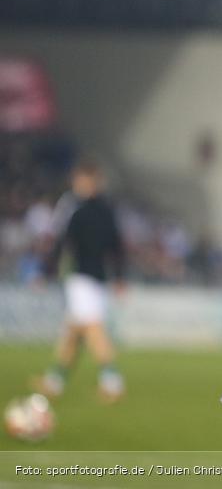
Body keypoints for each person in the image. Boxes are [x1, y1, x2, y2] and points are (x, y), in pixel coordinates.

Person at [34, 158, 127, 403]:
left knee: (92, 329)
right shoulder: (104, 210)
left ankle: (112, 381)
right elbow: (117, 247)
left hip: (84, 278)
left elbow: (62, 243)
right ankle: (55, 380)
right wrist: (118, 277)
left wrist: (45, 272)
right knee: (73, 332)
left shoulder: (79, 209)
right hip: (89, 279)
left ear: (88, 181)